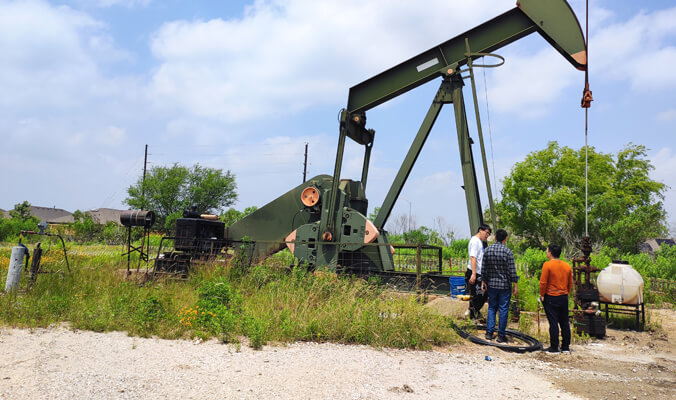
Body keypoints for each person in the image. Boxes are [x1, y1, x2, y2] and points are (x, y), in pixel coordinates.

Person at [481, 229, 518, 343]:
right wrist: (515, 285)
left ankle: (489, 333)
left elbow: (484, 268)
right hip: (505, 286)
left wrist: (483, 281)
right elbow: (512, 270)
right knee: (503, 309)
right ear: (505, 239)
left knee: (492, 307)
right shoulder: (508, 252)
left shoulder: (488, 250)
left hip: (491, 284)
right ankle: (501, 335)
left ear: (495, 237)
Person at [540, 243, 573, 353]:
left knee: (553, 322)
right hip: (563, 296)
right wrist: (566, 293)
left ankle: (554, 347)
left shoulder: (547, 265)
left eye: (547, 250)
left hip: (551, 296)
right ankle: (566, 347)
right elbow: (570, 283)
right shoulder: (567, 266)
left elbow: (543, 282)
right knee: (564, 322)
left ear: (550, 253)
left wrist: (542, 295)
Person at [465, 224, 491, 319]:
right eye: (486, 233)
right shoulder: (475, 241)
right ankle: (472, 314)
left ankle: (474, 312)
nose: (487, 235)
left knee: (481, 294)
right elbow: (473, 257)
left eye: (489, 234)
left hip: (479, 272)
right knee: (478, 294)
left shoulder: (479, 242)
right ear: (480, 230)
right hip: (474, 272)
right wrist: (474, 274)